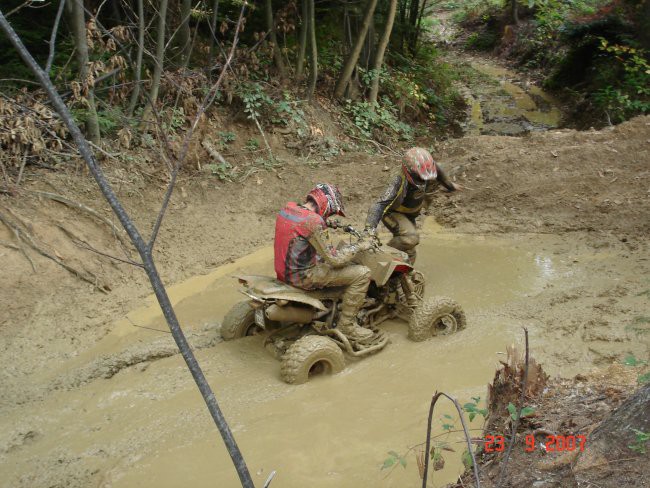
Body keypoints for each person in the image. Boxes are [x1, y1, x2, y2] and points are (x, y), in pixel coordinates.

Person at [274, 183, 374, 341]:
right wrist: (361, 245)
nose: (329, 215)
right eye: (331, 212)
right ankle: (347, 326)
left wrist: (326, 223)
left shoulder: (287, 209)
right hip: (303, 276)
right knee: (363, 273)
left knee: (322, 259)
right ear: (326, 206)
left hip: (283, 272)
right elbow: (335, 259)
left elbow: (300, 226)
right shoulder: (313, 222)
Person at [365, 147, 460, 264]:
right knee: (410, 238)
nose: (423, 180)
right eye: (420, 177)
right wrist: (369, 231)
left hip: (410, 213)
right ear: (408, 171)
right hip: (393, 212)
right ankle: (379, 257)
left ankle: (399, 276)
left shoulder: (429, 167)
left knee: (409, 251)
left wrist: (450, 186)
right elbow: (379, 205)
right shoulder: (397, 180)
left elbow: (439, 172)